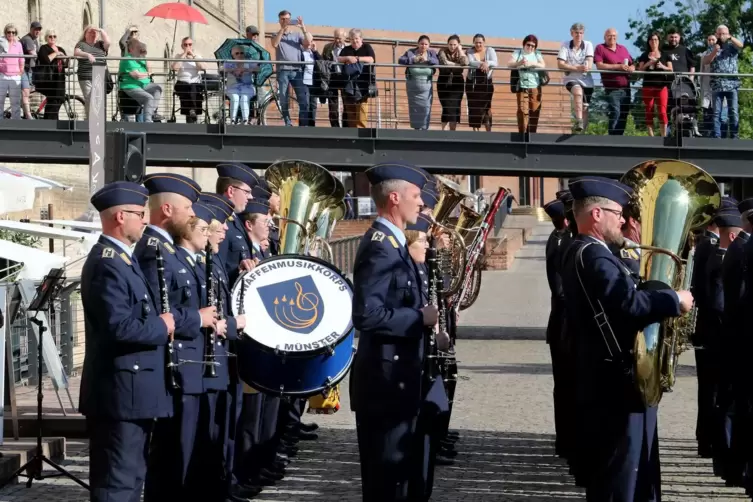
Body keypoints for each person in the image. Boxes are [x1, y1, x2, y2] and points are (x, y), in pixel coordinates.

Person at [560, 176, 693, 501]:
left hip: (606, 382)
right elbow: (627, 305)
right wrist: (675, 301)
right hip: (615, 386)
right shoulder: (595, 256)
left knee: (627, 474)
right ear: (596, 215)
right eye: (616, 212)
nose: (623, 219)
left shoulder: (583, 251)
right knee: (622, 480)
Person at [79, 181, 175, 502]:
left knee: (132, 479)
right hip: (119, 394)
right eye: (139, 213)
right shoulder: (107, 263)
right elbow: (118, 327)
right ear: (120, 216)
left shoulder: (122, 259)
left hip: (133, 393)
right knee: (115, 483)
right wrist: (162, 326)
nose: (145, 220)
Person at [350, 162, 438, 501]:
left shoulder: (394, 244)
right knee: (386, 481)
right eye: (416, 196)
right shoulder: (379, 246)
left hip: (398, 378)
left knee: (401, 476)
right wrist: (420, 318)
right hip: (384, 384)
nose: (422, 204)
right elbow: (367, 315)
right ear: (395, 198)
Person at [133, 173, 218, 500]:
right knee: (170, 457)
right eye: (187, 208)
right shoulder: (152, 251)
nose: (192, 216)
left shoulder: (165, 251)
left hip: (185, 366)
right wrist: (197, 318)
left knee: (182, 454)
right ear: (167, 209)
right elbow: (157, 313)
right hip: (174, 367)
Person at [692, 196, 737, 458]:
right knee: (716, 391)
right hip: (716, 332)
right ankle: (712, 441)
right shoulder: (713, 249)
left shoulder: (705, 246)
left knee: (708, 390)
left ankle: (706, 440)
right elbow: (717, 299)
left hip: (706, 329)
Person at [703, 206, 742, 482]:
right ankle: (724, 456)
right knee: (724, 401)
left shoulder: (721, 255)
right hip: (723, 338)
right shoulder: (721, 258)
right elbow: (718, 303)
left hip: (723, 337)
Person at [543, 195, 570, 459]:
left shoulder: (559, 238)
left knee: (565, 387)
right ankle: (565, 442)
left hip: (561, 324)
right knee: (565, 387)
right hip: (563, 324)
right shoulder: (561, 241)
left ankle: (566, 441)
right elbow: (561, 290)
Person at [215, 163, 259, 284]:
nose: (250, 197)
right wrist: (237, 270)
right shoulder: (219, 220)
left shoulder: (235, 219)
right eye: (246, 192)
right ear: (231, 191)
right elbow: (217, 269)